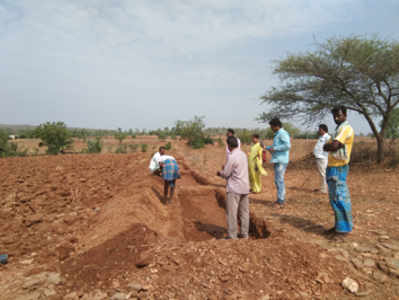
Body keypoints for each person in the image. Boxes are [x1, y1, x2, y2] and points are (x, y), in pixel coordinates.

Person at [323, 106, 354, 236]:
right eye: (334, 116)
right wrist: (329, 146)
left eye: (339, 115)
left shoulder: (345, 128)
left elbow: (334, 145)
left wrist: (328, 146)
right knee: (334, 199)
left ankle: (344, 229)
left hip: (338, 168)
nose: (336, 118)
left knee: (339, 197)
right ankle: (339, 226)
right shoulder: (338, 130)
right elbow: (330, 146)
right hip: (333, 167)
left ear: (345, 115)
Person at [217, 136, 250, 239]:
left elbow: (226, 174)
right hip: (245, 187)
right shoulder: (243, 154)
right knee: (244, 212)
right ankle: (244, 234)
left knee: (232, 213)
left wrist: (219, 173)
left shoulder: (232, 157)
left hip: (234, 188)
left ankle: (232, 236)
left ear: (229, 146)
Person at [266, 118, 291, 208]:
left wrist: (275, 148)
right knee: (278, 180)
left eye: (271, 126)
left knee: (279, 180)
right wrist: (267, 147)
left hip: (281, 160)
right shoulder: (277, 134)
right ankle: (280, 199)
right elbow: (275, 146)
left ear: (276, 126)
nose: (271, 128)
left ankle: (280, 201)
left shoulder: (282, 133)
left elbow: (287, 146)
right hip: (277, 159)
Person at [313, 124, 331, 194]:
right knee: (322, 174)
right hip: (319, 157)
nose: (319, 131)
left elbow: (329, 147)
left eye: (320, 129)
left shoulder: (327, 137)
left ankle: (324, 190)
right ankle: (322, 188)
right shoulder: (321, 137)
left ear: (323, 130)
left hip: (323, 158)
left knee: (323, 174)